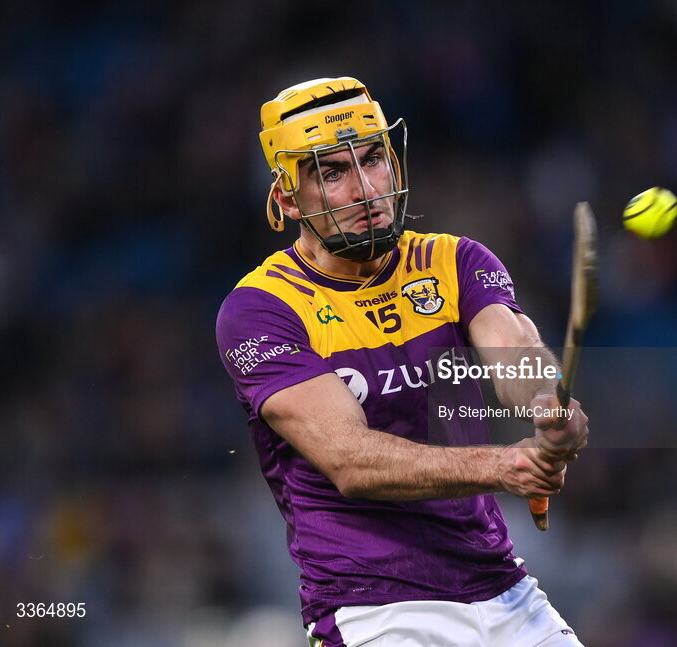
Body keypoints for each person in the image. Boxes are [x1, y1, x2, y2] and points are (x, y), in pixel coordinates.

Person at [216, 76, 589, 647]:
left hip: (503, 589)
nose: (365, 189)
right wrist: (503, 467)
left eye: (372, 160)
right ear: (289, 199)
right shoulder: (260, 310)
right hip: (374, 610)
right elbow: (350, 461)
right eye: (332, 172)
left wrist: (547, 405)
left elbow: (516, 353)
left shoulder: (454, 260)